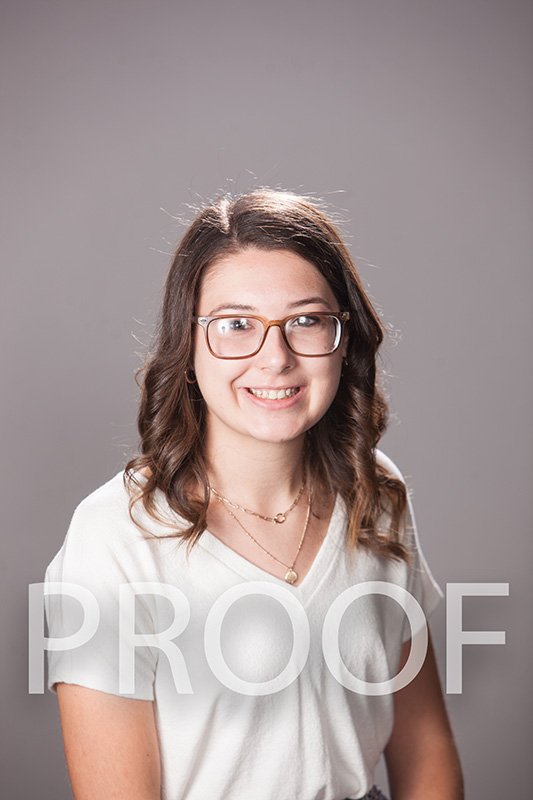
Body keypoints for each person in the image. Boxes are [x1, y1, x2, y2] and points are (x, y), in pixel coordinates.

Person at [44, 189, 463, 800]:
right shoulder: (114, 536)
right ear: (188, 345)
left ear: (343, 337)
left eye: (306, 320)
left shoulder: (375, 491)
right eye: (236, 325)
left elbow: (425, 747)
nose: (275, 358)